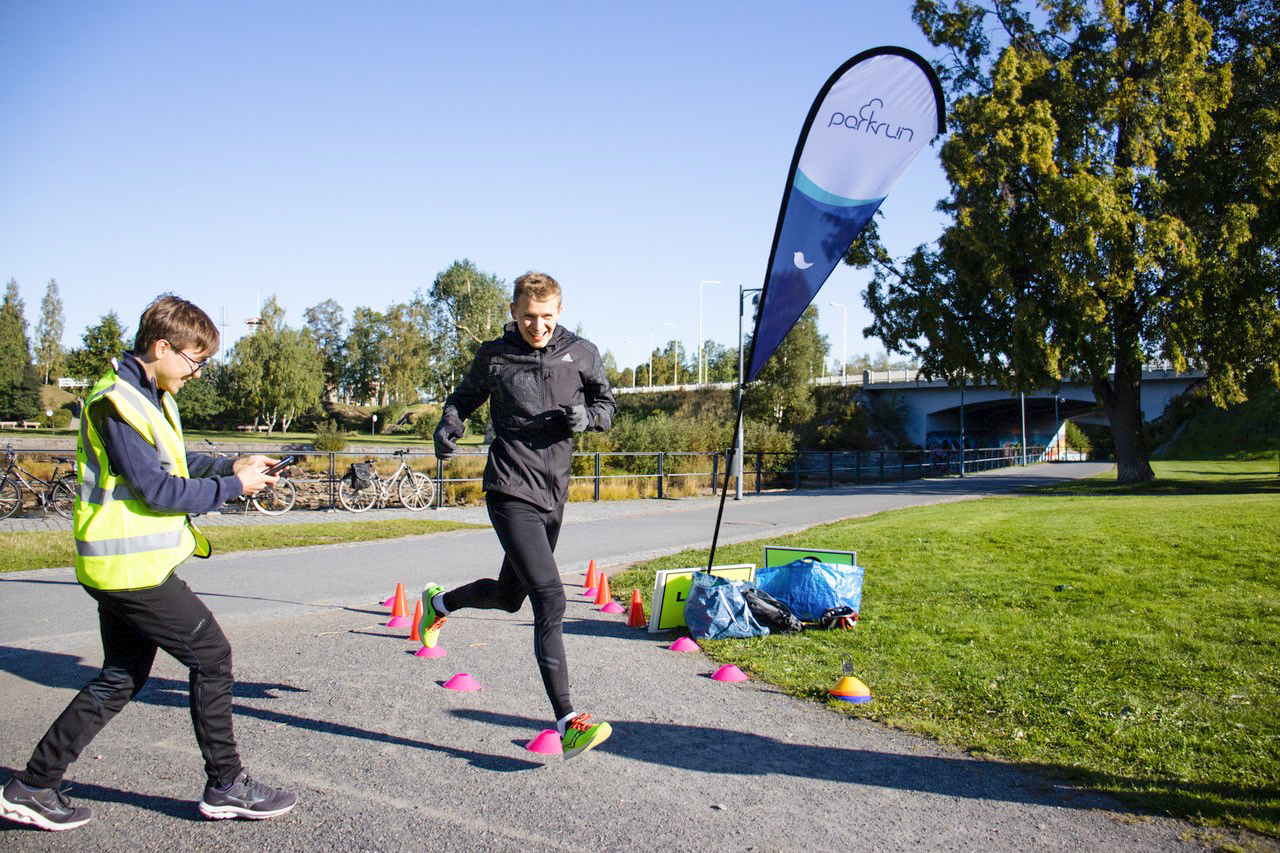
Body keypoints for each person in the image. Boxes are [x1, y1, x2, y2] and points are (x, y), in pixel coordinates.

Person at [0, 295, 297, 831]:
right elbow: (158, 489)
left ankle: (34, 786)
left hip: (128, 568)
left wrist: (234, 462)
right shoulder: (116, 401)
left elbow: (176, 463)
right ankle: (226, 784)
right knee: (212, 656)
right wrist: (235, 487)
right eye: (194, 360)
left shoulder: (150, 394)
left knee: (119, 677)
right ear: (162, 347)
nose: (197, 372)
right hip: (130, 572)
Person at [422, 271, 616, 758]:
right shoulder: (494, 356)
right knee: (550, 597)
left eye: (547, 317)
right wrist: (449, 425)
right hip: (509, 488)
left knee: (511, 597)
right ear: (513, 312)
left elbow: (608, 406)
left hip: (555, 494)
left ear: (559, 312)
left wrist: (587, 417)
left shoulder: (582, 353)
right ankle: (569, 719)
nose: (538, 327)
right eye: (529, 317)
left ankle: (439, 604)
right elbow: (461, 401)